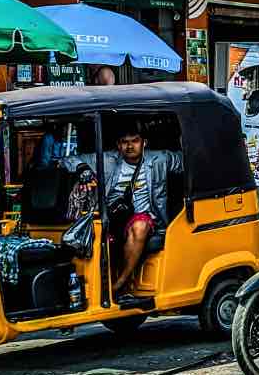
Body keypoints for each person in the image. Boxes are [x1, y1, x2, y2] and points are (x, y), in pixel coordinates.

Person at [66, 120, 182, 296]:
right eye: (125, 142)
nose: (130, 146)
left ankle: (120, 284)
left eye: (135, 141)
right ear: (118, 145)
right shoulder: (107, 159)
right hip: (111, 219)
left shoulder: (159, 160)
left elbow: (188, 160)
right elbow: (68, 160)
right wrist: (82, 168)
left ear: (144, 143)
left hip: (145, 218)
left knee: (139, 226)